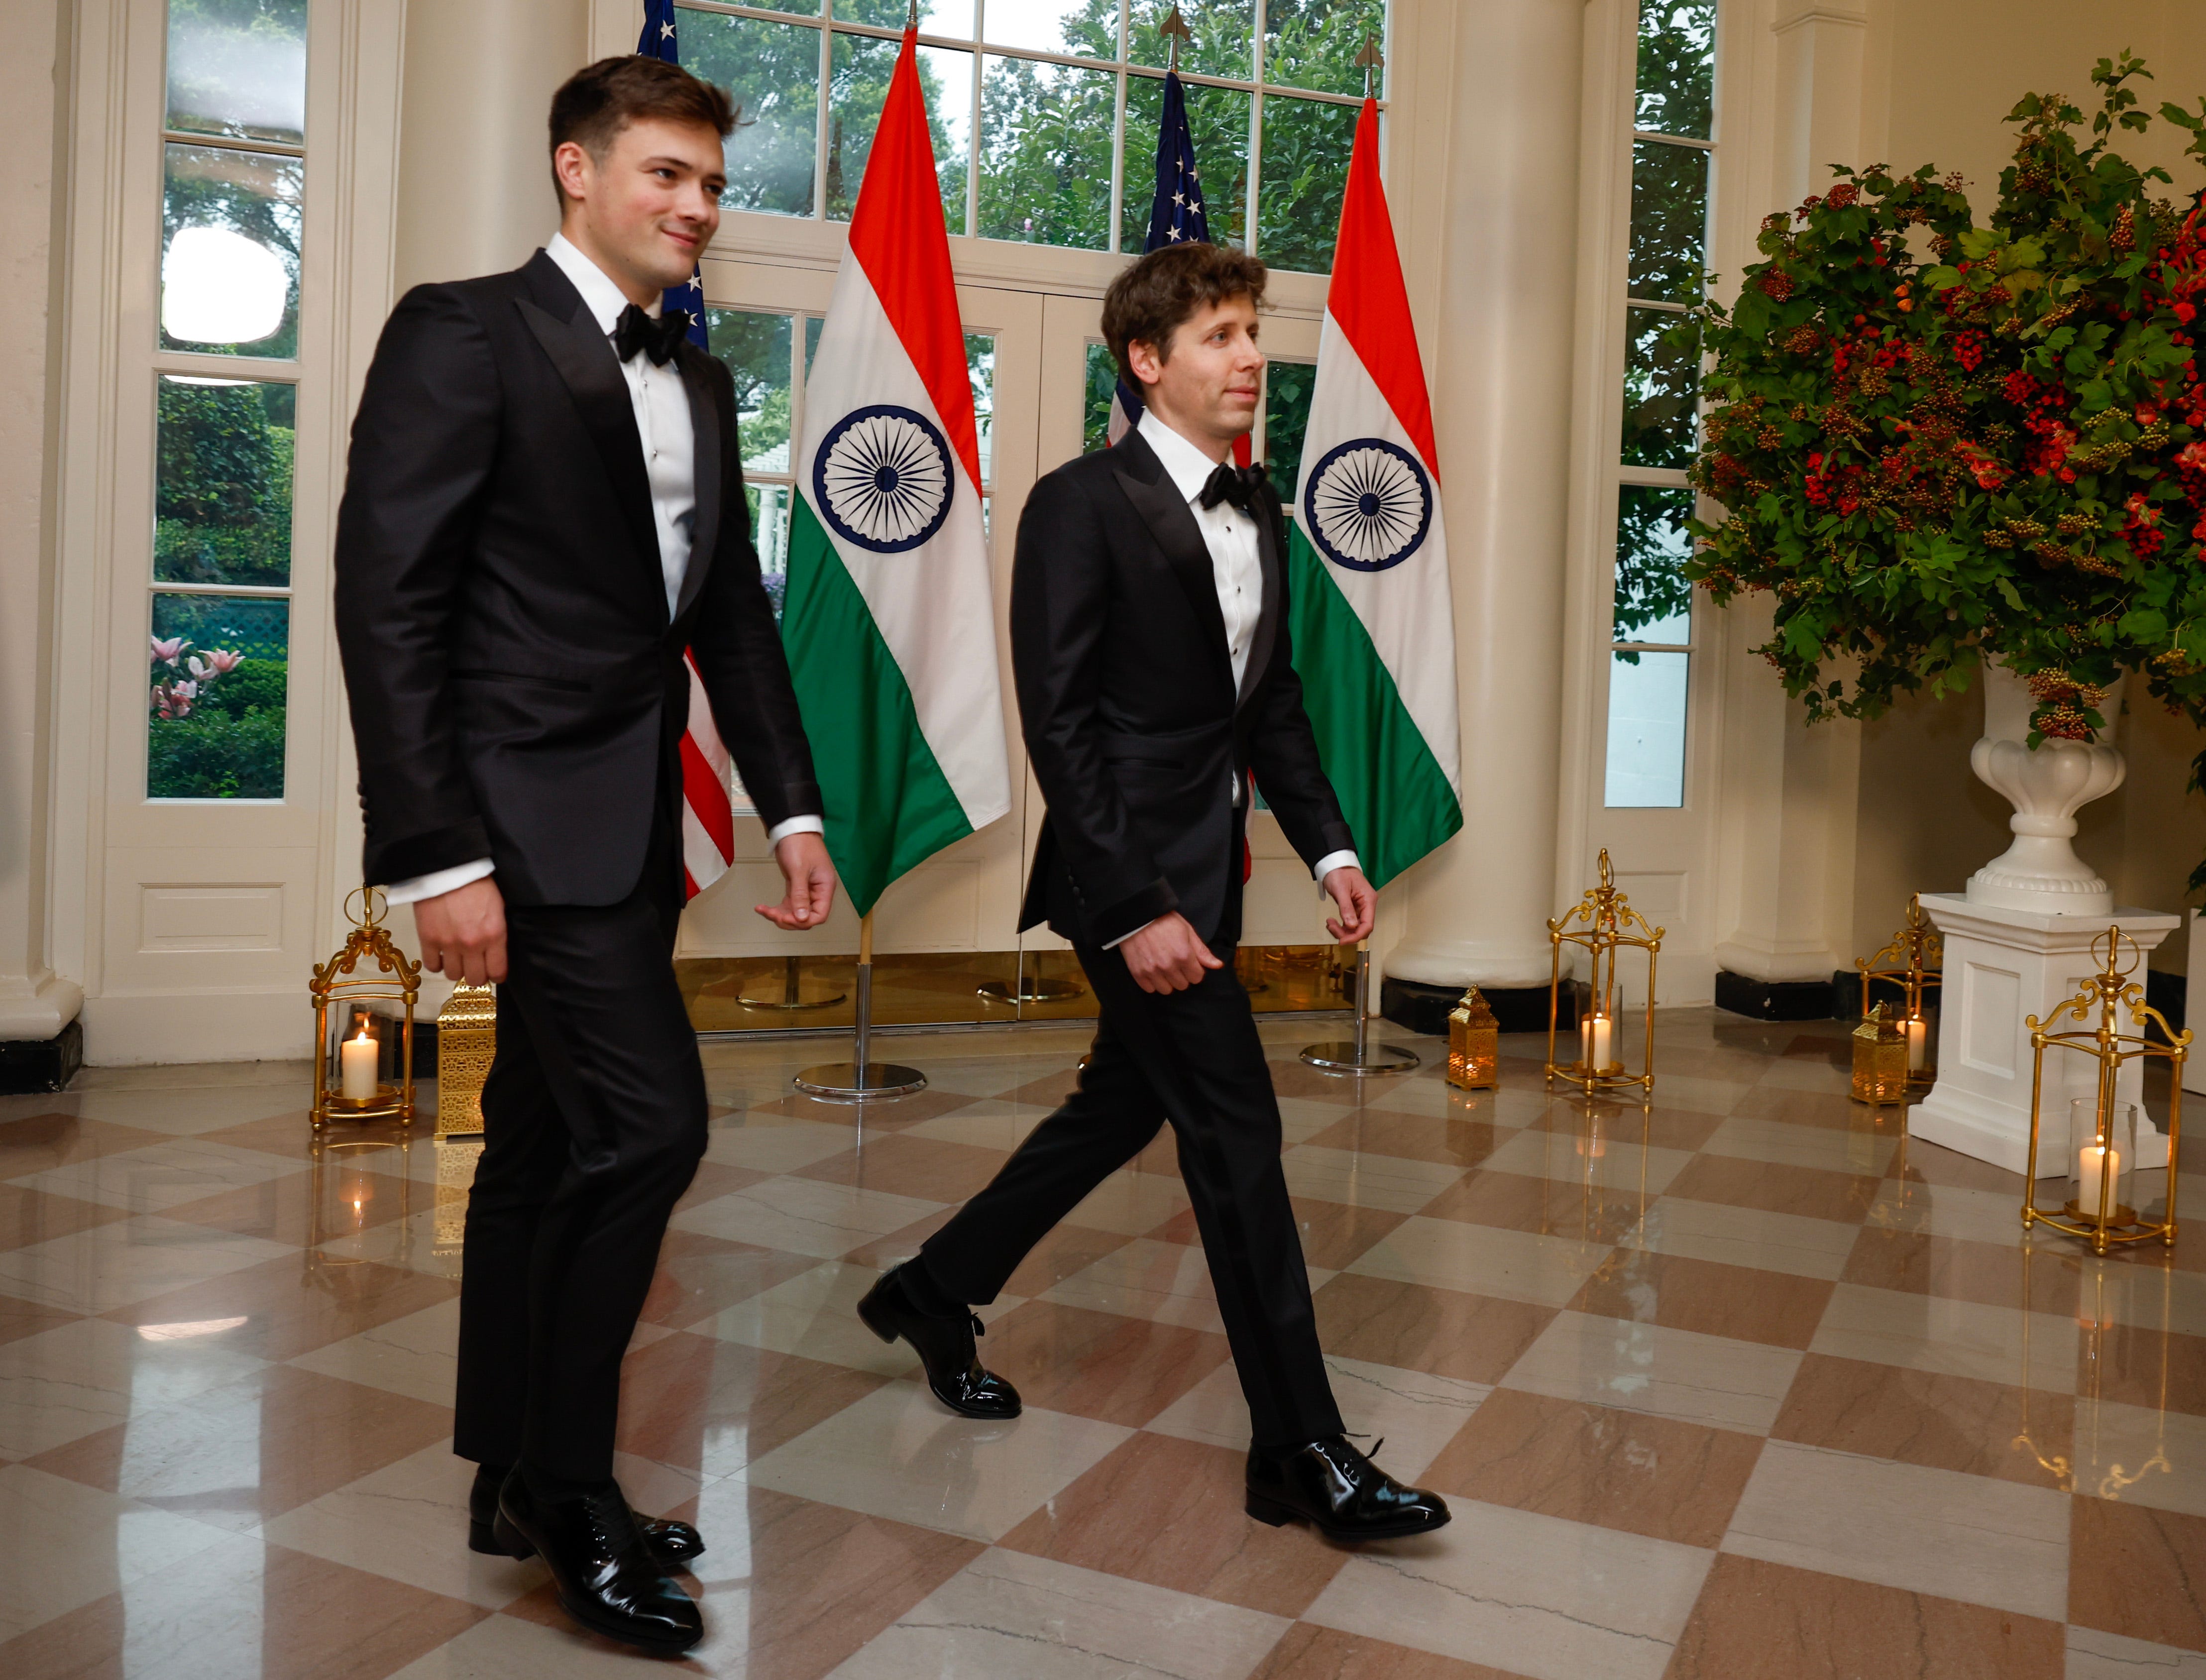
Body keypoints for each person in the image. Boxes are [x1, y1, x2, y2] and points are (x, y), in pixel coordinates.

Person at [333, 56, 838, 1654]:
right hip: (515, 827)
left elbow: (731, 614)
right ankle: (569, 1488)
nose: (697, 207)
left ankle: (506, 1474)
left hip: (633, 829)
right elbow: (389, 600)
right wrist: (436, 859)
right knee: (653, 1129)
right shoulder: (463, 330)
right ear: (577, 167)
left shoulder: (702, 380)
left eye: (712, 183)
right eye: (665, 175)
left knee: (543, 1148)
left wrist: (794, 807)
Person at [856, 242, 1449, 1543]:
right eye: (1221, 336)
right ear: (1146, 359)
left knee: (1119, 1106)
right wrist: (1134, 906)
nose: (1251, 359)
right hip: (1126, 883)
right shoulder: (1079, 505)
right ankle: (1299, 1447)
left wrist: (1333, 850)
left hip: (1208, 876)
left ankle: (933, 1289)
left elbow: (1270, 704)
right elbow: (1061, 727)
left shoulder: (1262, 511)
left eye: (1254, 334)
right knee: (1238, 1136)